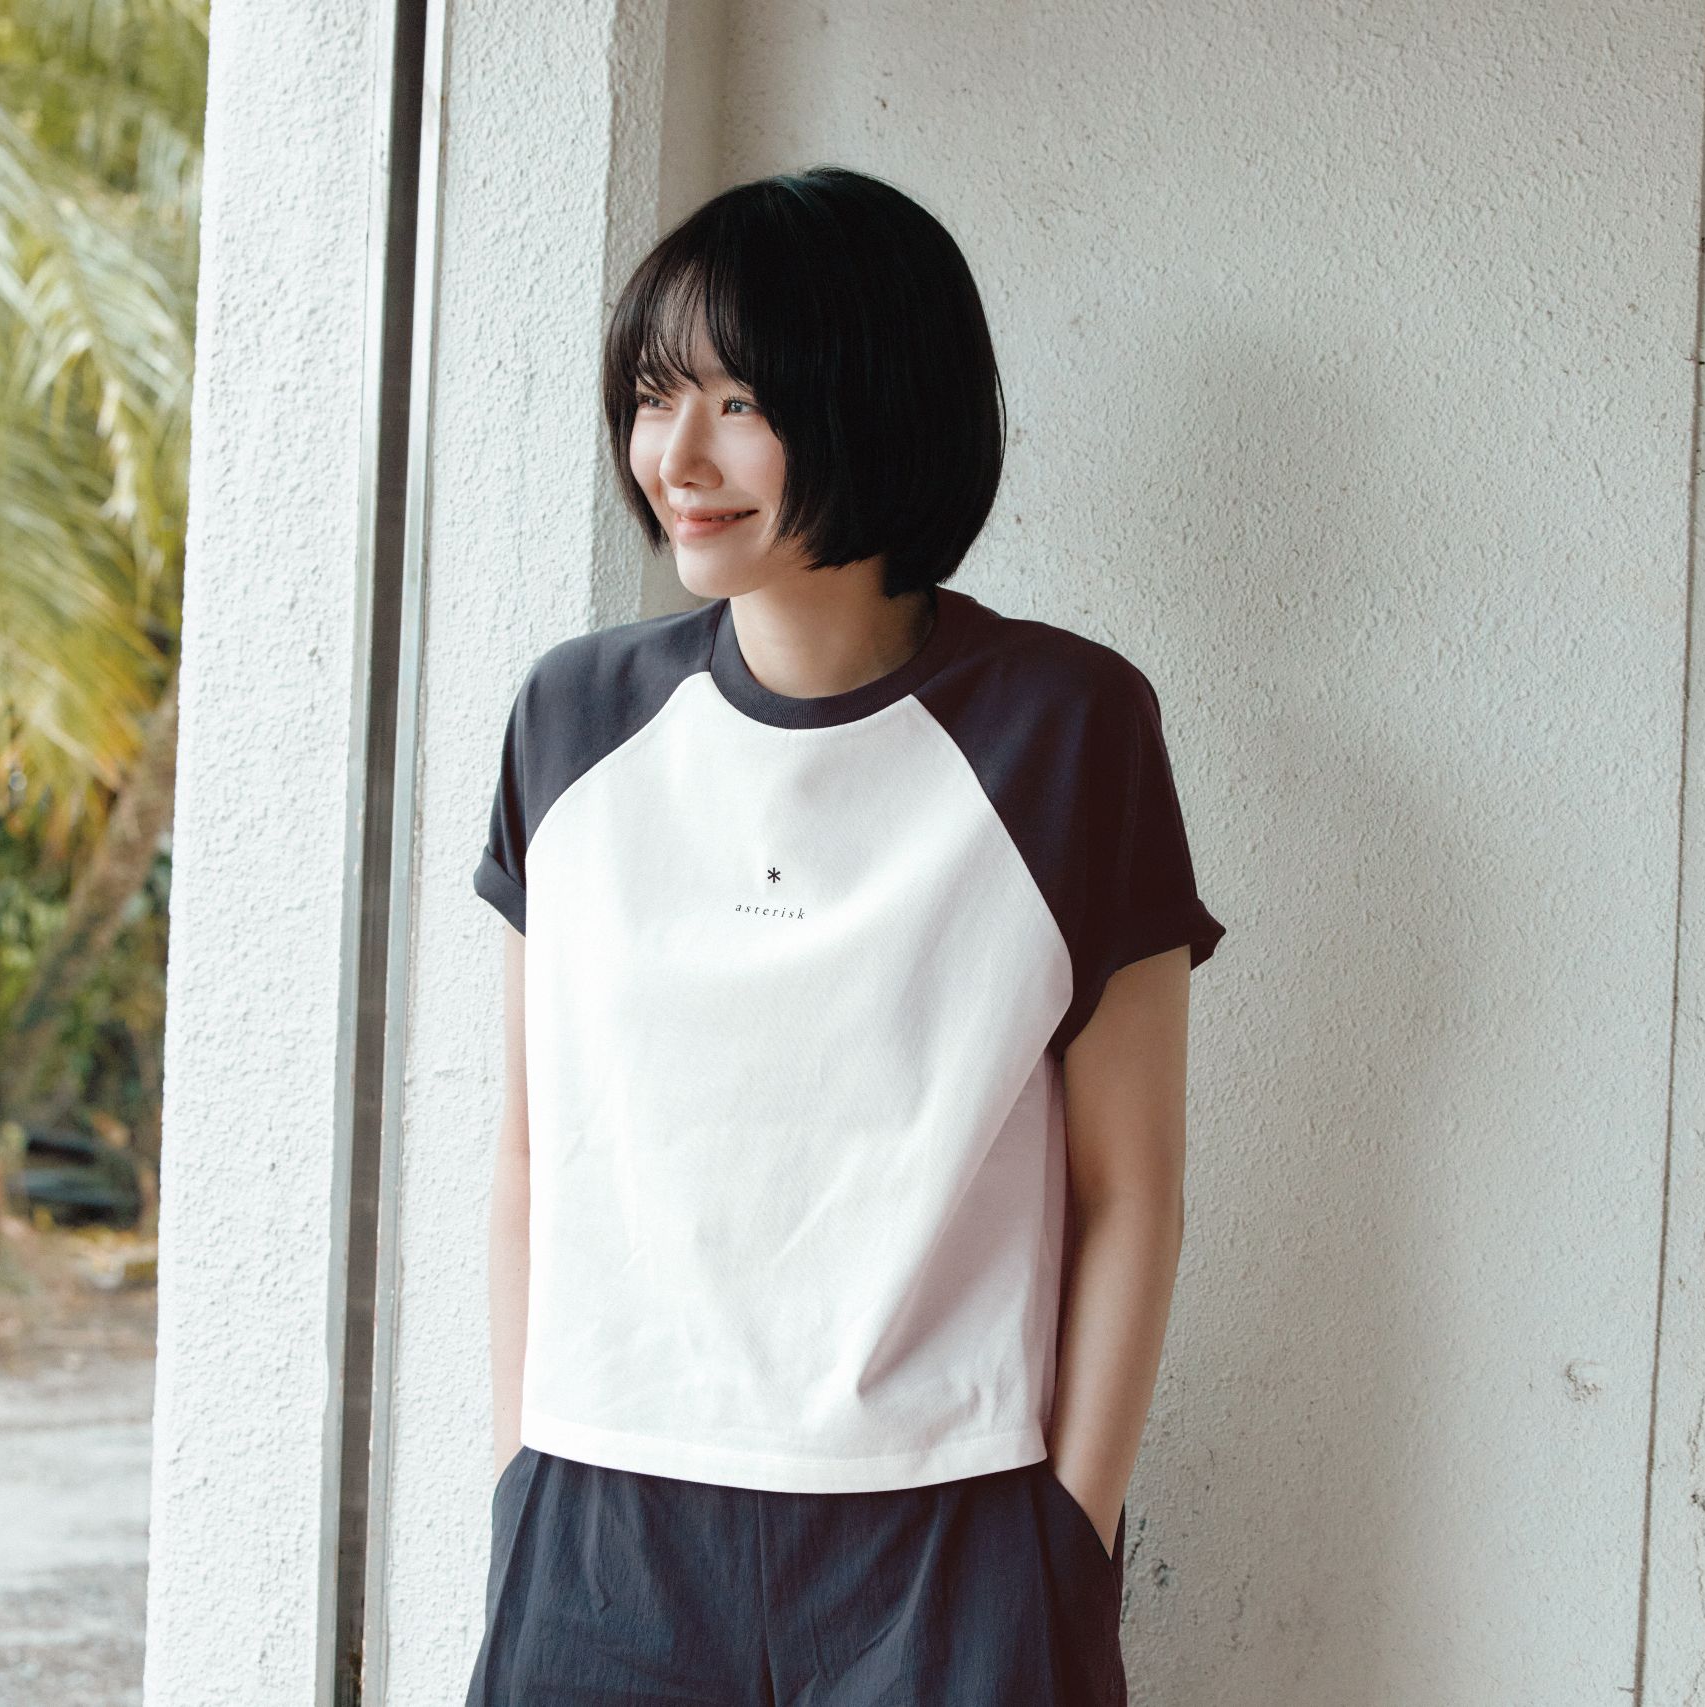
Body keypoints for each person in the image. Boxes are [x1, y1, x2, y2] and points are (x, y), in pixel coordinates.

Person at [465, 165, 1226, 1707]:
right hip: (601, 1534)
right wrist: (519, 1483)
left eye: (739, 401)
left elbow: (1129, 1187)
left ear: (876, 401)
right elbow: (533, 1152)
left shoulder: (1067, 729)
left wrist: (1065, 1540)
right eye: (655, 395)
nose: (676, 456)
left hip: (947, 1535)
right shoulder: (573, 721)